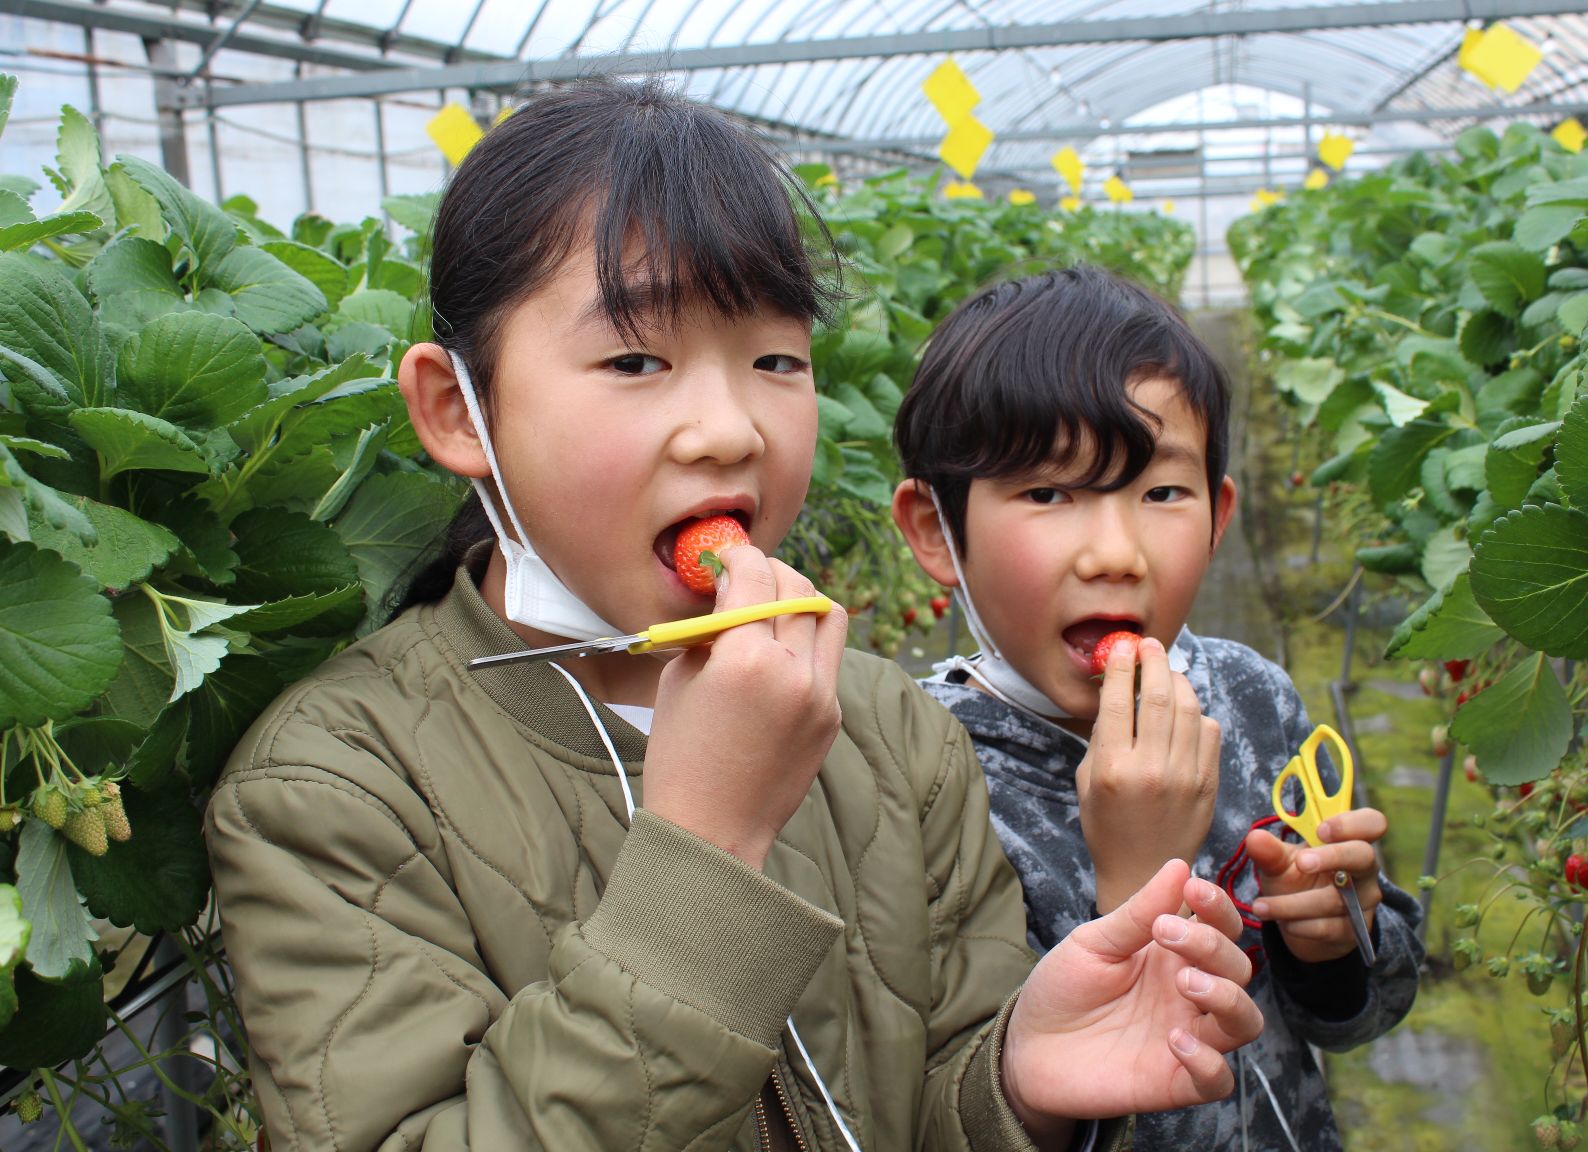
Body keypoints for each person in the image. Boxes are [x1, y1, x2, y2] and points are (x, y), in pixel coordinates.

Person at [203, 82, 1268, 1152]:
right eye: (634, 360)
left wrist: (1015, 1084)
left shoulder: (892, 731)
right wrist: (708, 850)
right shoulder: (333, 791)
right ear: (454, 410)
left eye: (776, 361)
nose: (729, 431)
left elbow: (939, 1097)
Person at [890, 266, 1424, 1152]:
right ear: (935, 531)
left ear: (1218, 517)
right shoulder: (913, 778)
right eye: (1048, 493)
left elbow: (1359, 1017)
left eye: (1161, 493)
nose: (1115, 554)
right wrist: (1135, 884)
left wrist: (1333, 941)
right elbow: (935, 1110)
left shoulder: (1252, 696)